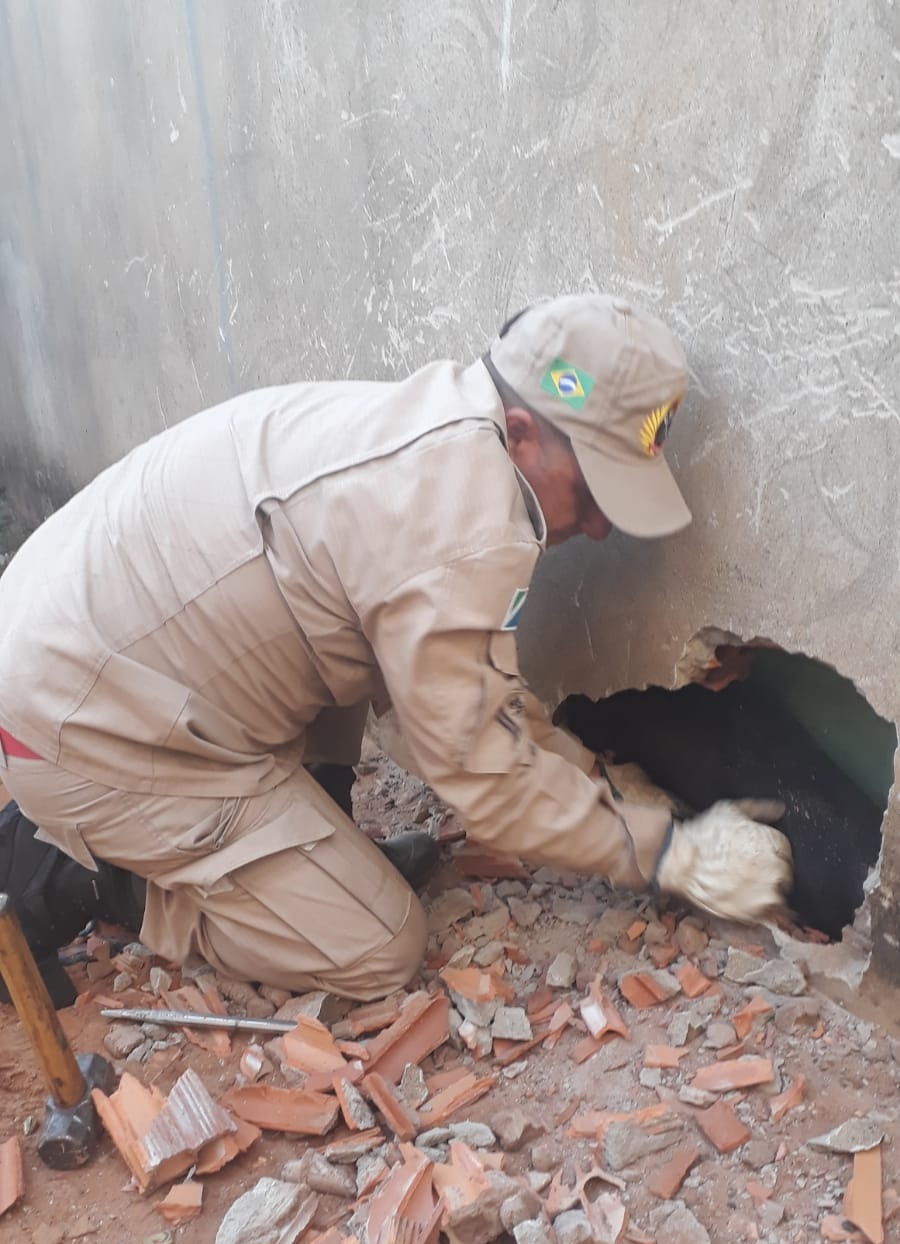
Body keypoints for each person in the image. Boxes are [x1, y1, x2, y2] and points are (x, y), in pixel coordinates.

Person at [0, 293, 790, 1007]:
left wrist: (604, 791)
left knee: (347, 645)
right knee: (379, 947)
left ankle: (287, 843)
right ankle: (100, 880)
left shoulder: (443, 432)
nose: (600, 528)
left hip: (90, 650)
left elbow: (473, 697)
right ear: (522, 435)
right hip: (86, 728)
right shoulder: (458, 529)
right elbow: (483, 775)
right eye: (592, 492)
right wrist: (667, 854)